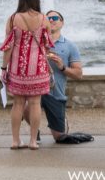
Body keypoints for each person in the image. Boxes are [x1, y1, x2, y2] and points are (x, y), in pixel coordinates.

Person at [0, 0, 53, 150]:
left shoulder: (12, 19)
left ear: (21, 0)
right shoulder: (44, 20)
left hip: (17, 69)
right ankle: (32, 141)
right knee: (36, 104)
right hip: (37, 68)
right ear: (36, 0)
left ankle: (15, 141)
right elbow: (48, 46)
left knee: (17, 104)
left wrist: (3, 68)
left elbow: (8, 47)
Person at [26, 9, 84, 142]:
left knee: (60, 138)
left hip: (56, 94)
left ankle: (61, 120)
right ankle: (36, 132)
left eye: (55, 18)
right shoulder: (35, 43)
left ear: (62, 23)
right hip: (38, 90)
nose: (51, 20)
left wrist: (62, 67)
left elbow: (79, 74)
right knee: (24, 106)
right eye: (48, 18)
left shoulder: (70, 46)